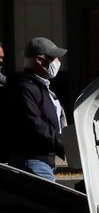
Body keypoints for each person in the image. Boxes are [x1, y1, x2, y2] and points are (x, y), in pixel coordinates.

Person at [3, 37, 69, 182]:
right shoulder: (25, 88)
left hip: (43, 161)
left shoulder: (42, 87)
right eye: (53, 58)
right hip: (33, 161)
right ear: (39, 60)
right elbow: (35, 124)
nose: (58, 61)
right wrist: (63, 143)